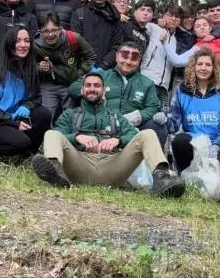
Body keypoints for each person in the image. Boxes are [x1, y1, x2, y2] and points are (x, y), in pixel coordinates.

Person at [30, 72, 186, 197]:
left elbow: (134, 137)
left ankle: (163, 179)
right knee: (51, 133)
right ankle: (55, 173)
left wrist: (117, 140)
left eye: (97, 86)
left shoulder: (116, 117)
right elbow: (56, 137)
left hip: (113, 168)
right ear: (82, 90)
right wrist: (76, 137)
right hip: (78, 166)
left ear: (103, 90)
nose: (92, 88)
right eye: (88, 85)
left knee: (148, 134)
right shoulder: (69, 114)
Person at [0, 27, 51, 164]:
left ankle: (26, 156)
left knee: (44, 114)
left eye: (26, 41)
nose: (23, 45)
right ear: (9, 43)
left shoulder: (31, 69)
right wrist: (13, 122)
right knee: (22, 142)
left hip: (17, 118)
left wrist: (27, 106)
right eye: (18, 41)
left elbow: (36, 97)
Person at [168, 47, 220, 184]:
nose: (203, 68)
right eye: (200, 64)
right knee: (180, 141)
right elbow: (173, 122)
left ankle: (213, 182)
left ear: (214, 68)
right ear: (193, 66)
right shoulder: (182, 92)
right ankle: (186, 179)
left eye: (208, 65)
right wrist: (164, 120)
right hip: (194, 143)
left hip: (219, 145)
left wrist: (217, 146)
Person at [68, 42, 168, 144]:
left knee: (158, 126)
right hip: (101, 123)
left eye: (134, 58)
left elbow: (153, 108)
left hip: (133, 126)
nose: (128, 61)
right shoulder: (101, 75)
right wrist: (94, 90)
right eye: (124, 56)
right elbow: (73, 89)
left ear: (139, 61)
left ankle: (155, 160)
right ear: (117, 56)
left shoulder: (147, 83)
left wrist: (137, 117)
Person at [33, 11, 96, 120]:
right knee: (46, 116)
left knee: (70, 118)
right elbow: (27, 65)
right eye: (46, 31)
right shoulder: (34, 44)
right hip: (48, 85)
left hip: (70, 84)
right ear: (40, 31)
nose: (50, 35)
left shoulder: (73, 38)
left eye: (54, 30)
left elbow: (91, 56)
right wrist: (39, 67)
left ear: (60, 28)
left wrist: (79, 73)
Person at [70, 0, 124, 69]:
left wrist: (104, 65)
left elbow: (117, 45)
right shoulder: (79, 14)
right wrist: (87, 65)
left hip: (106, 69)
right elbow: (75, 43)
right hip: (82, 68)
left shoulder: (114, 17)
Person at [126, 0, 172, 105]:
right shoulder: (126, 24)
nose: (145, 13)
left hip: (143, 78)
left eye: (149, 11)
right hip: (129, 76)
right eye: (142, 10)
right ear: (135, 11)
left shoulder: (146, 32)